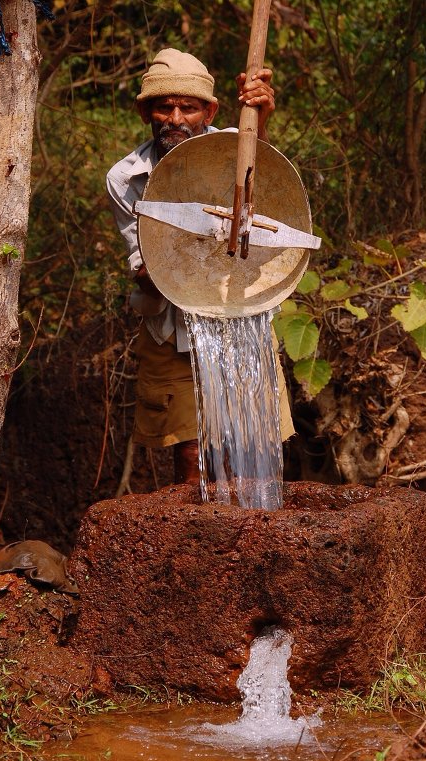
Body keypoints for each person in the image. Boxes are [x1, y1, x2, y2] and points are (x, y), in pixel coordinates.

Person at [107, 48, 294, 485]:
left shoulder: (239, 144)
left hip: (239, 314)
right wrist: (184, 254)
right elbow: (143, 267)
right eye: (163, 106)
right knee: (191, 451)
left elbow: (264, 188)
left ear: (208, 111)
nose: (175, 117)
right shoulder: (127, 177)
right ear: (145, 113)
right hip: (173, 325)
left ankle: (251, 538)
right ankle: (201, 542)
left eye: (188, 107)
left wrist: (260, 120)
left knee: (253, 443)